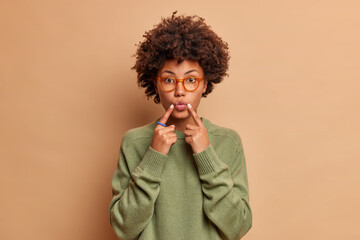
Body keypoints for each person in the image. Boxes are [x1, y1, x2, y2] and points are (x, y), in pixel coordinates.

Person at [109, 12, 252, 240]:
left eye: (191, 80)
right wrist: (154, 157)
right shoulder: (134, 142)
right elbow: (124, 227)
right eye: (168, 80)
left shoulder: (228, 141)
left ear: (205, 84)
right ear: (155, 85)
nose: (180, 91)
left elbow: (237, 227)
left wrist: (207, 156)